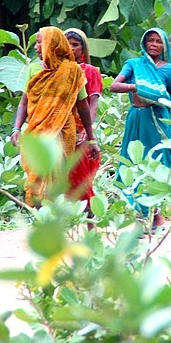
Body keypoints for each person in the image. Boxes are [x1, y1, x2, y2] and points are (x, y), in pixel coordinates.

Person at [10, 26, 100, 205]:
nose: (36, 47)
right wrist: (17, 128)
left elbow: (83, 107)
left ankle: (66, 221)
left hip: (63, 132)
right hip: (36, 131)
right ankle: (41, 221)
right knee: (36, 176)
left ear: (52, 44)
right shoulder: (33, 69)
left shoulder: (73, 71)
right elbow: (24, 102)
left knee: (58, 179)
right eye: (36, 43)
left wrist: (91, 138)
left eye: (40, 42)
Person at [110, 27, 171, 227]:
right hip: (137, 118)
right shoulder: (133, 64)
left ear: (164, 46)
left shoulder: (169, 69)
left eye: (158, 41)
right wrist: (138, 87)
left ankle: (155, 213)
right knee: (134, 162)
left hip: (159, 121)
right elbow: (114, 86)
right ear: (144, 43)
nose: (154, 44)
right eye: (150, 40)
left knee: (158, 163)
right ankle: (141, 216)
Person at [64, 28, 103, 211]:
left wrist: (87, 133)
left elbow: (92, 104)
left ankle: (91, 220)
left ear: (83, 48)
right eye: (68, 44)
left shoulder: (91, 71)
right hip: (60, 128)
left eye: (76, 45)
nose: (71, 48)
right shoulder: (57, 70)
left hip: (81, 129)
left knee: (81, 177)